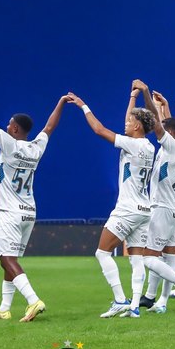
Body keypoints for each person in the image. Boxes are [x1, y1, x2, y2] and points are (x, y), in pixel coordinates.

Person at [0, 72, 69, 322]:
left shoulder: (9, 144)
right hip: (29, 212)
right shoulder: (36, 148)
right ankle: (4, 307)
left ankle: (34, 301)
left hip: (9, 212)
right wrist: (61, 103)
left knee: (6, 258)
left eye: (9, 123)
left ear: (14, 128)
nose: (6, 126)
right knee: (9, 259)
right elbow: (49, 127)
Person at [67, 88, 156, 318]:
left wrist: (83, 106)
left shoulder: (132, 144)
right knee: (136, 258)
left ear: (137, 126)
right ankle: (134, 306)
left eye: (130, 121)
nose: (126, 123)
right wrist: (132, 97)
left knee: (102, 252)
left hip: (127, 208)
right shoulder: (149, 147)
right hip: (144, 209)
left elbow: (99, 129)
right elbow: (129, 123)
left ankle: (119, 299)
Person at [127, 80, 175, 316]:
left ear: (171, 134)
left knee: (148, 258)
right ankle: (163, 301)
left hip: (163, 208)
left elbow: (158, 124)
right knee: (169, 255)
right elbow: (170, 125)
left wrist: (146, 93)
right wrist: (167, 107)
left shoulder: (172, 148)